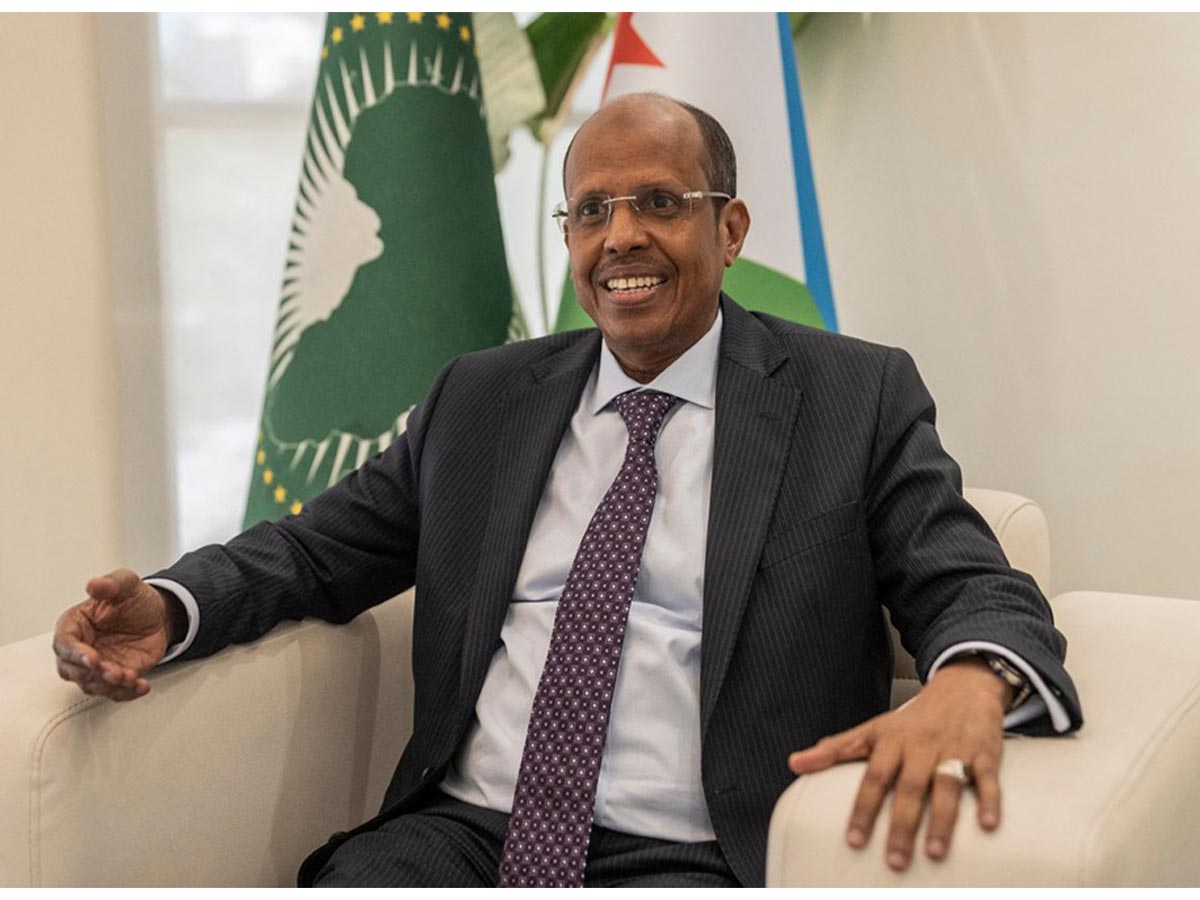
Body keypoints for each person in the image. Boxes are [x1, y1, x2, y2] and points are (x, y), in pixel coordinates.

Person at [52, 93, 1081, 887]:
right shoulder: (481, 396)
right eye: (590, 211)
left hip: (699, 851)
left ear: (730, 230)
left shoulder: (853, 397)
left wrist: (969, 684)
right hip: (462, 833)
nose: (620, 235)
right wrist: (172, 605)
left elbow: (971, 583)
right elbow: (317, 550)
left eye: (659, 203)